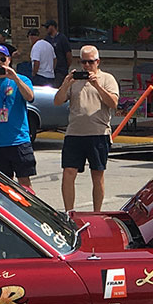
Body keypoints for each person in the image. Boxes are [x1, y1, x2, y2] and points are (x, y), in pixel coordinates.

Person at [54, 45, 120, 212]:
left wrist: (97, 85)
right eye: (83, 62)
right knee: (68, 172)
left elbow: (113, 103)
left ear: (97, 62)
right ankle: (69, 212)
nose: (87, 66)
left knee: (97, 174)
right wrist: (65, 84)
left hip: (98, 134)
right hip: (74, 134)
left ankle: (97, 212)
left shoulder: (106, 79)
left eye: (90, 62)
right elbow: (57, 101)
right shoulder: (74, 81)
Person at [0, 44, 36, 188]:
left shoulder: (22, 80)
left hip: (18, 141)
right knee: (0, 185)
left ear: (9, 60)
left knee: (24, 183)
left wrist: (15, 78)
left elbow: (30, 97)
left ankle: (26, 210)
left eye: (2, 59)